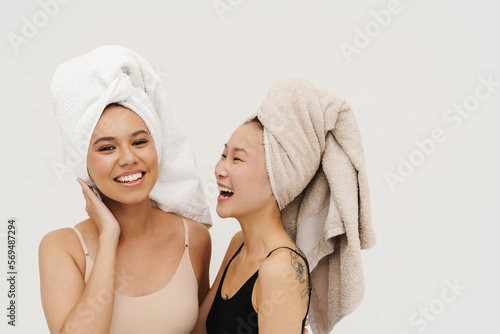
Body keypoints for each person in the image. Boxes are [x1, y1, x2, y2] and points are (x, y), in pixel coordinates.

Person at [39, 46, 212, 334]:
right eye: (107, 147)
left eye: (140, 142)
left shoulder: (193, 237)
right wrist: (108, 235)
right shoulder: (62, 248)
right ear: (84, 163)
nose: (128, 158)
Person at [192, 117, 311, 334]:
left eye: (237, 159)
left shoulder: (281, 269)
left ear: (277, 178)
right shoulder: (239, 243)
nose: (219, 169)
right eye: (223, 155)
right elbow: (199, 330)